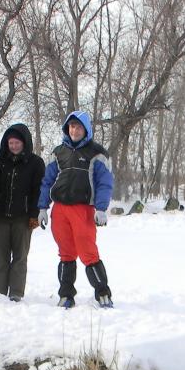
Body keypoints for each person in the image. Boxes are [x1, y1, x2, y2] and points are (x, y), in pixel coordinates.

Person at [37, 110, 114, 308]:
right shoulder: (58, 152)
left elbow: (104, 183)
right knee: (66, 253)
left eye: (79, 126)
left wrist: (101, 208)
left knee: (88, 252)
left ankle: (102, 292)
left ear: (86, 129)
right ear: (67, 128)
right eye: (71, 126)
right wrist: (43, 207)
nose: (75, 130)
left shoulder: (96, 153)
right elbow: (46, 181)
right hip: (60, 210)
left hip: (83, 210)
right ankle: (66, 295)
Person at [0, 123, 44, 301]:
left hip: (23, 218)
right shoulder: (2, 162)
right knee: (1, 257)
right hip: (1, 216)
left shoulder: (36, 163)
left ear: (24, 142)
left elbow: (38, 191)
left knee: (19, 257)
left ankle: (16, 292)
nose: (14, 146)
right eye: (11, 143)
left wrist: (34, 214)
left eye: (17, 142)